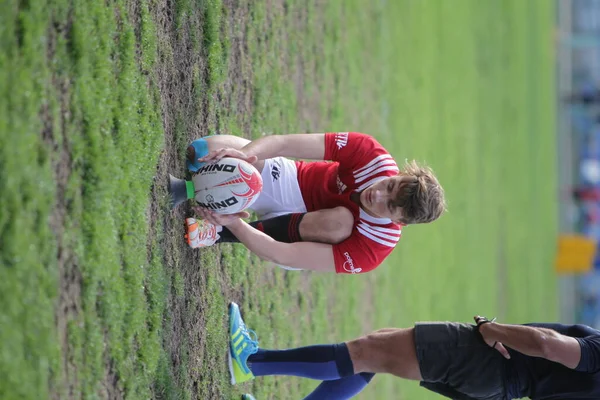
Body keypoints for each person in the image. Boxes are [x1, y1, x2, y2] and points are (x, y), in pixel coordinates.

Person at [184, 132, 446, 273]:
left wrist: (234, 225)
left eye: (388, 205)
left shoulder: (374, 248)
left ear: (399, 222)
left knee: (340, 222)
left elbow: (280, 253)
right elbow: (282, 143)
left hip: (295, 240)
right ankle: (223, 200)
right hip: (293, 182)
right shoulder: (370, 154)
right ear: (399, 174)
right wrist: (243, 156)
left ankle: (215, 232)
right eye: (390, 186)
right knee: (200, 152)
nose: (377, 195)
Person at [226, 302, 600, 400]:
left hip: (491, 360)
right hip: (500, 386)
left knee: (365, 352)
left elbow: (547, 345)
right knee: (376, 352)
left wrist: (490, 329)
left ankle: (250, 362)